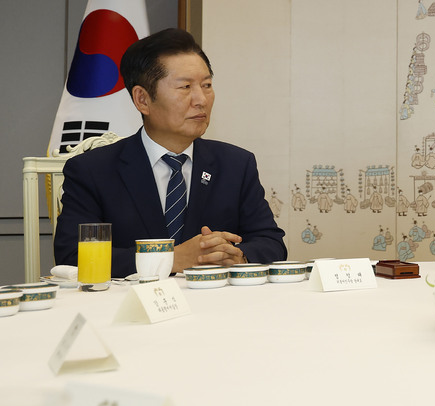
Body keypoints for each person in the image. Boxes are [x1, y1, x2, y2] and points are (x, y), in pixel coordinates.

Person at [54, 28, 287, 277]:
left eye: (207, 85)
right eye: (185, 86)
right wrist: (170, 260)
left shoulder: (236, 164)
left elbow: (272, 244)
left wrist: (237, 256)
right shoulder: (92, 170)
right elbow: (73, 255)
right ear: (142, 100)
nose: (201, 99)